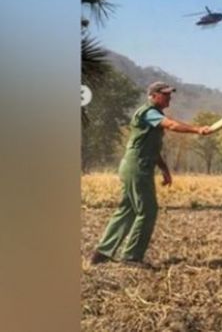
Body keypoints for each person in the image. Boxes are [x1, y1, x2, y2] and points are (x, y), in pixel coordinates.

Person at [89, 81, 212, 266]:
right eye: (165, 94)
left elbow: (152, 148)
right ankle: (131, 257)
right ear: (153, 95)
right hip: (137, 166)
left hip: (135, 166)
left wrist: (164, 170)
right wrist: (197, 129)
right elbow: (171, 125)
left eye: (169, 94)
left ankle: (102, 253)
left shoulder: (154, 114)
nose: (169, 97)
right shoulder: (149, 113)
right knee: (148, 210)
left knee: (127, 209)